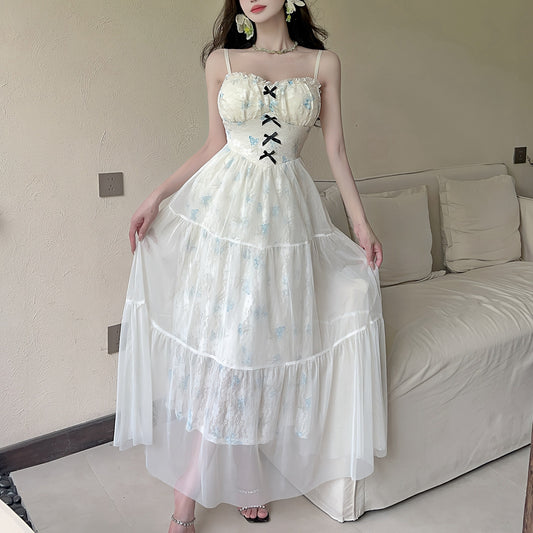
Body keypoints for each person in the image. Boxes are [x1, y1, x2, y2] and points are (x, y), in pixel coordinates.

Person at [112, 1, 388, 531]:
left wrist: (361, 226)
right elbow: (213, 145)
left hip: (285, 223)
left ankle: (243, 477)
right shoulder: (221, 61)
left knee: (255, 348)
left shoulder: (323, 64)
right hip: (225, 219)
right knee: (227, 350)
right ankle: (187, 499)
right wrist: (156, 196)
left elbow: (336, 151)